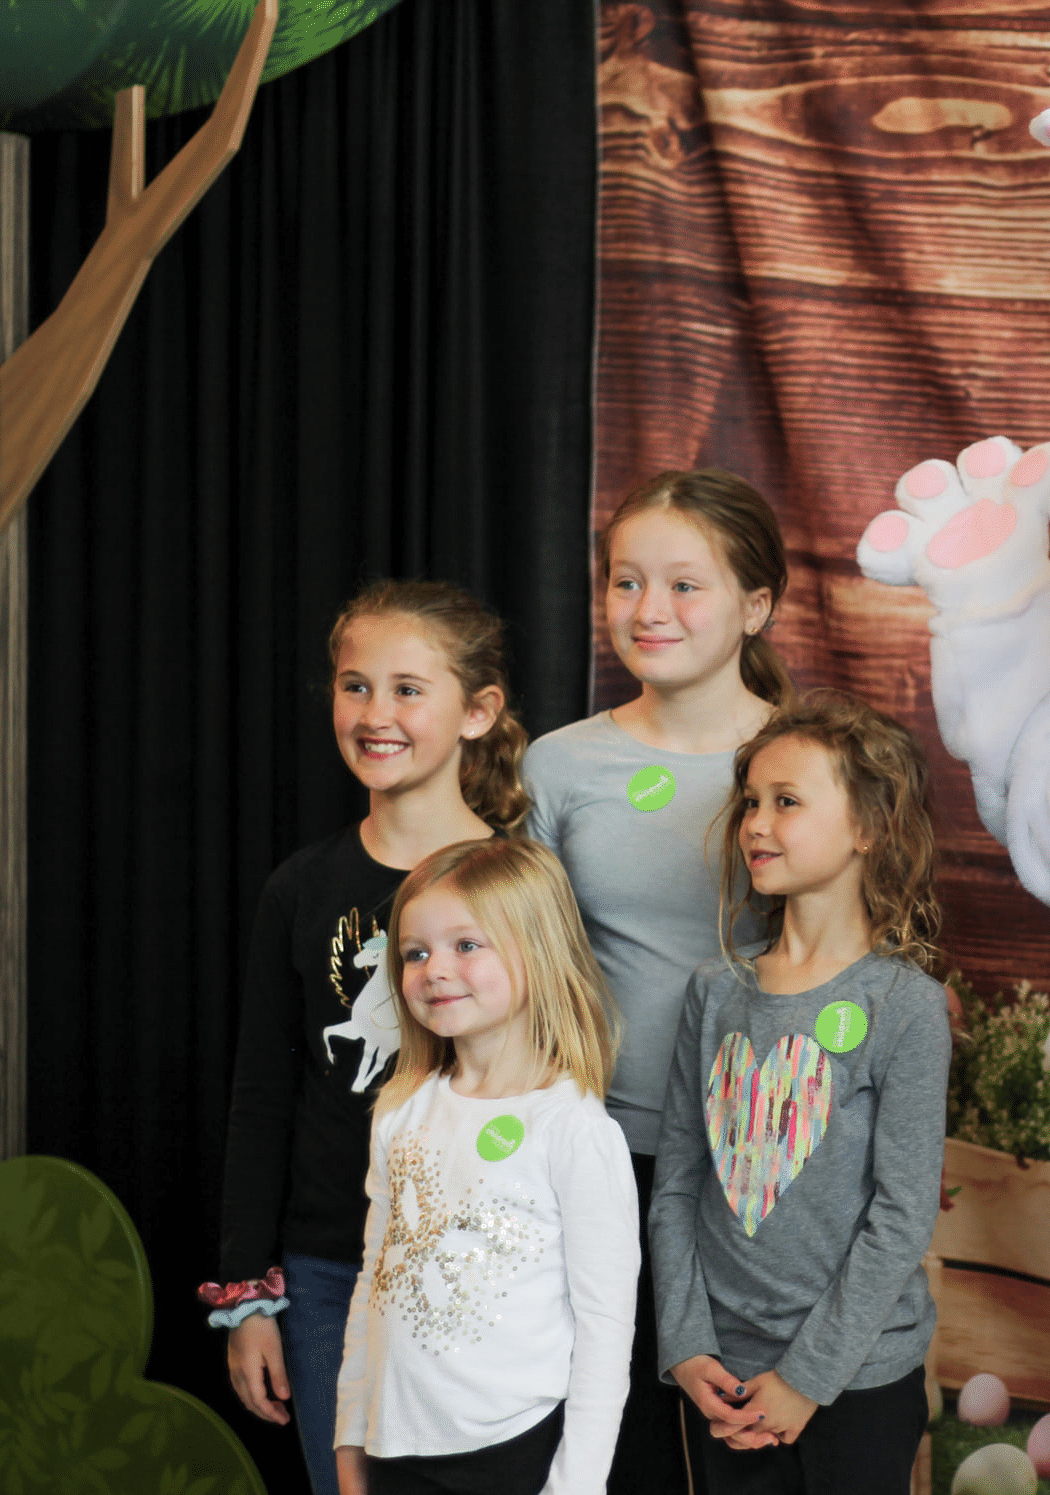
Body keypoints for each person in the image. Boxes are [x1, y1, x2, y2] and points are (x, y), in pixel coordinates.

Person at [209, 580, 529, 1495]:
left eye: (406, 689)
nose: (376, 714)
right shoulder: (300, 888)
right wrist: (250, 1298)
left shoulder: (523, 885)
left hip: (480, 1268)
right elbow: (263, 1095)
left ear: (478, 711)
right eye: (355, 686)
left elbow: (554, 1079)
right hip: (326, 1274)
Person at [523, 469, 791, 1491]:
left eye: (685, 585)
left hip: (759, 1164)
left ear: (754, 604)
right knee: (612, 1436)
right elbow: (525, 967)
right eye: (626, 582)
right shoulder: (559, 767)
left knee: (744, 1437)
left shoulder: (802, 758)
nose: (648, 610)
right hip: (598, 1153)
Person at [650, 691, 951, 1495]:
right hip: (722, 1376)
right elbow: (678, 1182)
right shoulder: (715, 992)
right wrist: (684, 1344)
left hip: (854, 1380)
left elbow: (901, 1215)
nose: (755, 823)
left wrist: (809, 1378)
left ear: (868, 827)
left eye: (786, 802)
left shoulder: (905, 1005)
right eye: (751, 802)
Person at [333, 837, 638, 1495]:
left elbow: (605, 1331)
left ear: (539, 950)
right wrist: (350, 1430)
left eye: (466, 945)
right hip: (394, 1449)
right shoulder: (401, 1109)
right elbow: (373, 1282)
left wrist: (575, 1484)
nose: (435, 968)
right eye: (416, 952)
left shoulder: (573, 1128)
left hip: (513, 1451)